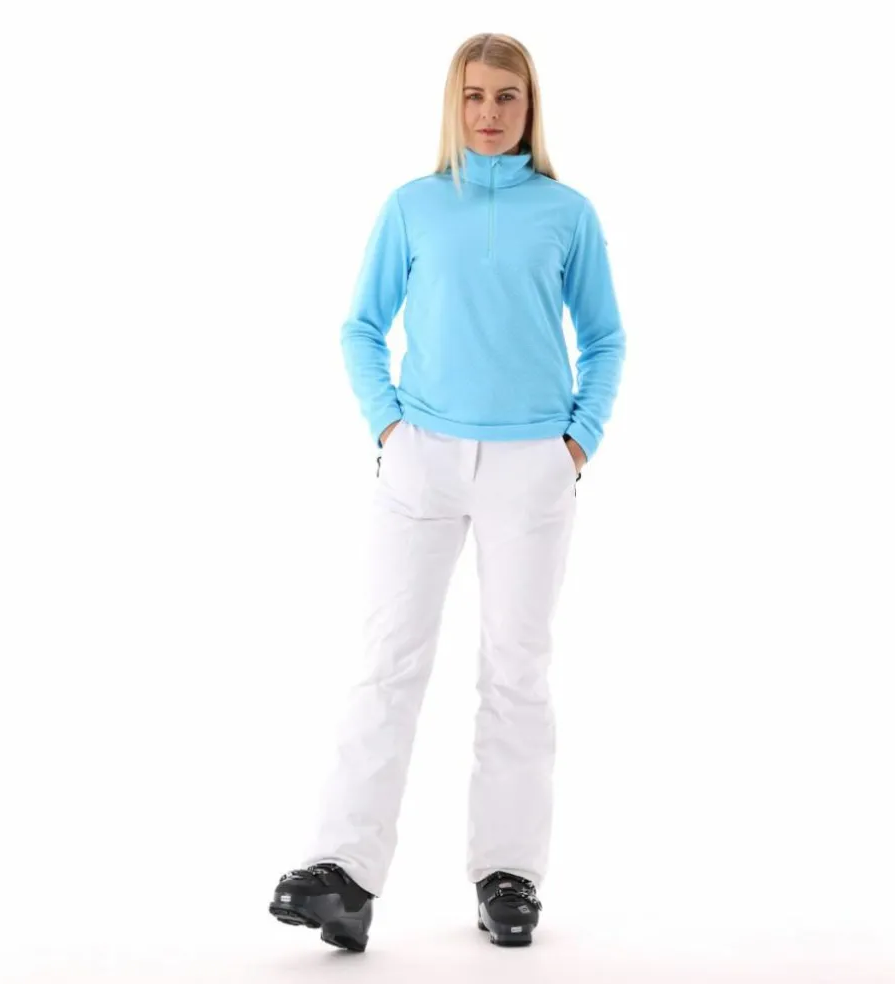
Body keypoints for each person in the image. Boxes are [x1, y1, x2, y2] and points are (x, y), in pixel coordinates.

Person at [268, 31, 626, 952]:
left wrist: (576, 443)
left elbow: (605, 338)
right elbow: (360, 325)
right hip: (421, 456)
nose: (489, 113)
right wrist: (390, 427)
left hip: (531, 466)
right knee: (388, 660)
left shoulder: (567, 213)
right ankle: (343, 873)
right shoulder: (414, 206)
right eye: (474, 95)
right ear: (452, 104)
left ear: (530, 106)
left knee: (516, 670)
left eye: (507, 96)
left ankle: (508, 875)